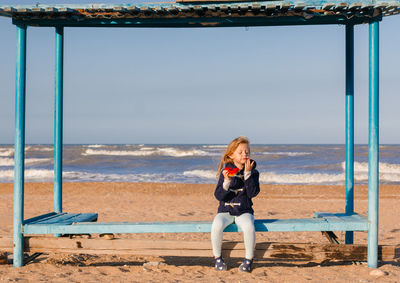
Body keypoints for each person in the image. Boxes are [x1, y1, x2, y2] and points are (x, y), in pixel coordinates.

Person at [211, 136, 260, 272]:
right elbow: (218, 195)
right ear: (231, 155)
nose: (245, 154)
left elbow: (252, 193)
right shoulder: (225, 172)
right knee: (216, 225)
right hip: (225, 211)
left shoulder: (254, 172)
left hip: (244, 210)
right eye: (241, 152)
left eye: (247, 152)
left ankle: (248, 259)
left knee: (249, 226)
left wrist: (248, 174)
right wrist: (226, 182)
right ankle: (217, 258)